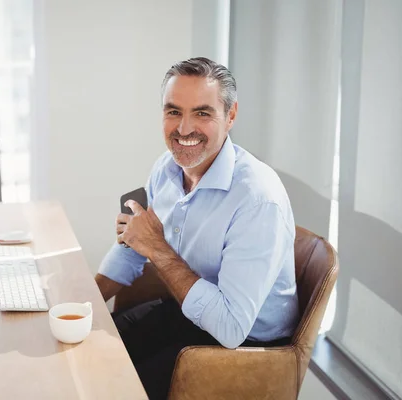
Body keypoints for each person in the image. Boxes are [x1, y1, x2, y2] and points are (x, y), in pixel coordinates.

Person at [95, 57, 299, 399]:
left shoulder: (258, 200)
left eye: (202, 113)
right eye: (173, 111)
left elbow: (230, 328)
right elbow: (134, 249)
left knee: (116, 389)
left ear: (230, 116)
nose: (184, 129)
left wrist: (156, 247)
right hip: (188, 310)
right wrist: (83, 303)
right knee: (95, 352)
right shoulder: (167, 168)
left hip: (242, 347)